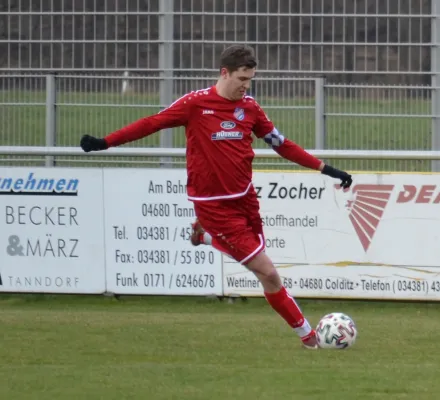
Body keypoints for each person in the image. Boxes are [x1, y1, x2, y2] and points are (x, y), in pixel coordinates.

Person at [80, 44, 353, 350]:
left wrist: (325, 168)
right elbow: (151, 124)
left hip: (245, 199)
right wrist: (106, 142)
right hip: (214, 206)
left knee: (260, 265)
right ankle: (308, 337)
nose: (246, 86)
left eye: (250, 80)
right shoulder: (195, 104)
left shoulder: (250, 108)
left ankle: (204, 237)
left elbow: (281, 144)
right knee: (268, 273)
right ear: (225, 73)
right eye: (242, 79)